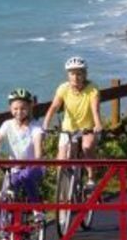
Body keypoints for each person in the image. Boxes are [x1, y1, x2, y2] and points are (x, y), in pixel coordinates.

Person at [41, 56, 104, 188]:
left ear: (85, 74)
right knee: (62, 160)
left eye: (79, 73)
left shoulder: (92, 89)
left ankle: (91, 178)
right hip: (68, 129)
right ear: (68, 75)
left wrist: (98, 124)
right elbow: (54, 107)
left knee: (87, 147)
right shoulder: (63, 88)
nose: (75, 77)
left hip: (87, 128)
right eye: (72, 74)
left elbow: (95, 109)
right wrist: (46, 124)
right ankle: (64, 190)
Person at [0, 88, 45, 201]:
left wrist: (36, 161)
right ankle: (5, 217)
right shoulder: (7, 125)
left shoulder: (36, 127)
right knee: (5, 193)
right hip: (14, 168)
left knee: (25, 177)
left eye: (23, 108)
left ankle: (38, 211)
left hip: (34, 167)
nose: (19, 112)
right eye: (15, 108)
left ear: (29, 108)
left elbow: (38, 153)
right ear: (10, 109)